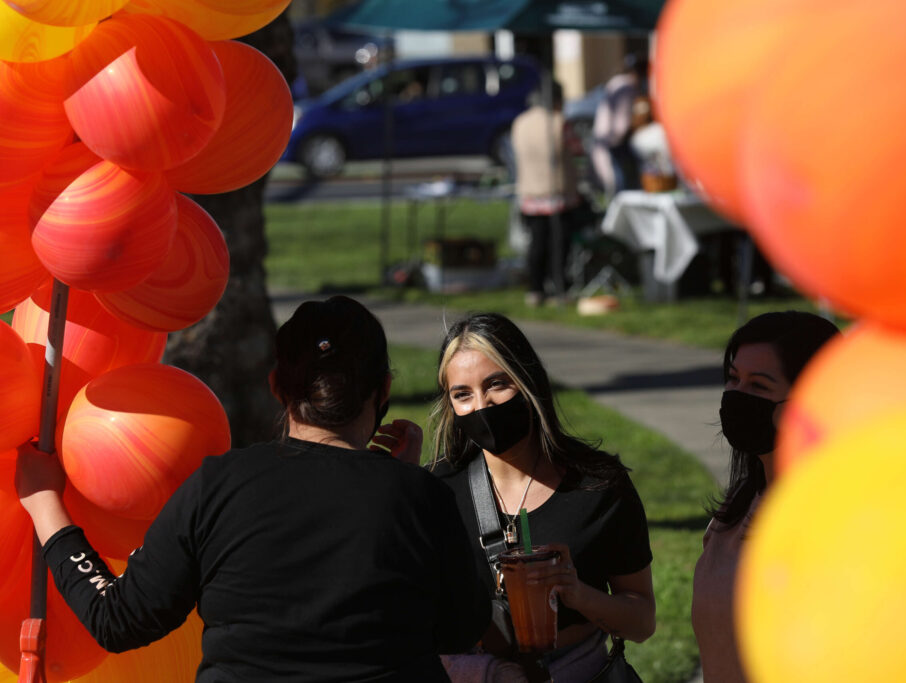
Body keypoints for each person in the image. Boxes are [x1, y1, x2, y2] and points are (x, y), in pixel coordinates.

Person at [16, 295, 491, 682]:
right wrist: (400, 482)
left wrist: (44, 506)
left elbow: (116, 620)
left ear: (276, 387)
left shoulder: (217, 487)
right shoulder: (419, 496)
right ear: (383, 390)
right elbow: (460, 628)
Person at [428, 312, 655, 682]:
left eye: (497, 384)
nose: (481, 406)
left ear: (527, 381)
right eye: (462, 394)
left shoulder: (597, 487)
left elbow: (642, 621)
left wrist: (577, 592)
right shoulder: (438, 490)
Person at [691, 311, 840, 682]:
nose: (738, 396)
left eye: (759, 386)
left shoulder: (832, 522)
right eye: (733, 379)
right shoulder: (738, 507)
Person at [510, 79, 581, 307]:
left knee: (537, 244)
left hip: (530, 191)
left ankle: (535, 289)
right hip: (557, 191)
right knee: (559, 245)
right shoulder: (559, 122)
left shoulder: (520, 122)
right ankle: (559, 288)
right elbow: (577, 149)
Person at [590, 55, 647, 196]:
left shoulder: (615, 83)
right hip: (614, 143)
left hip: (605, 140)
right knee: (623, 191)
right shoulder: (626, 88)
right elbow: (621, 125)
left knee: (616, 188)